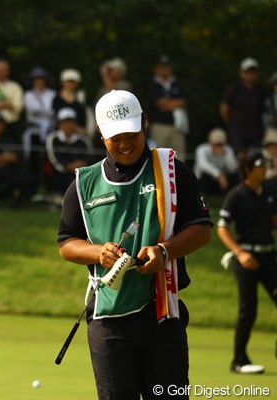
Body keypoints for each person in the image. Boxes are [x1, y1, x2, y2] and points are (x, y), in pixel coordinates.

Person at [57, 90, 212, 399]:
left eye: (131, 133)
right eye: (116, 137)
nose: (125, 143)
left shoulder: (172, 171)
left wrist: (164, 250)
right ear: (100, 133)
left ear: (144, 123)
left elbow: (201, 228)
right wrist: (97, 252)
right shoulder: (83, 183)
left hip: (163, 317)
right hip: (109, 322)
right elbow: (66, 242)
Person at [216, 149, 277, 374]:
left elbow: (272, 221)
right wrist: (239, 252)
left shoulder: (269, 192)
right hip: (246, 259)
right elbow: (222, 227)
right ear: (248, 169)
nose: (264, 168)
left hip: (269, 256)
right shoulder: (236, 195)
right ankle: (239, 360)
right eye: (260, 165)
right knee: (248, 310)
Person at [220, 57, 266, 153]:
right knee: (239, 158)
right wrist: (232, 124)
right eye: (248, 72)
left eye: (253, 72)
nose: (250, 75)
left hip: (256, 132)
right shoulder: (233, 89)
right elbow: (224, 109)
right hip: (238, 131)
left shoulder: (260, 90)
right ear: (241, 73)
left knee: (255, 158)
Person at [148, 55, 188, 161]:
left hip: (177, 126)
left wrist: (165, 104)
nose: (164, 69)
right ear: (156, 69)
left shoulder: (178, 83)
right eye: (161, 66)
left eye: (166, 66)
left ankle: (179, 178)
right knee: (159, 158)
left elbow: (182, 102)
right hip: (159, 126)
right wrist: (173, 103)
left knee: (179, 158)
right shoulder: (152, 85)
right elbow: (157, 103)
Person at [45, 107, 93, 196]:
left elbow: (89, 156)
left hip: (81, 173)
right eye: (65, 122)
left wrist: (81, 165)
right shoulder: (53, 138)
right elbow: (54, 158)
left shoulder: (82, 140)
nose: (68, 125)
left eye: (70, 122)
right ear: (59, 124)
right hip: (60, 174)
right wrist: (68, 166)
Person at [193, 128, 239, 195]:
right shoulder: (202, 149)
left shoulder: (228, 149)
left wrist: (226, 155)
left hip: (222, 181)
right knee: (204, 176)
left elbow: (233, 168)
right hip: (205, 180)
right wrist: (218, 175)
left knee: (233, 177)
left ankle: (230, 196)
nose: (218, 147)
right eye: (216, 144)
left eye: (220, 144)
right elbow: (202, 165)